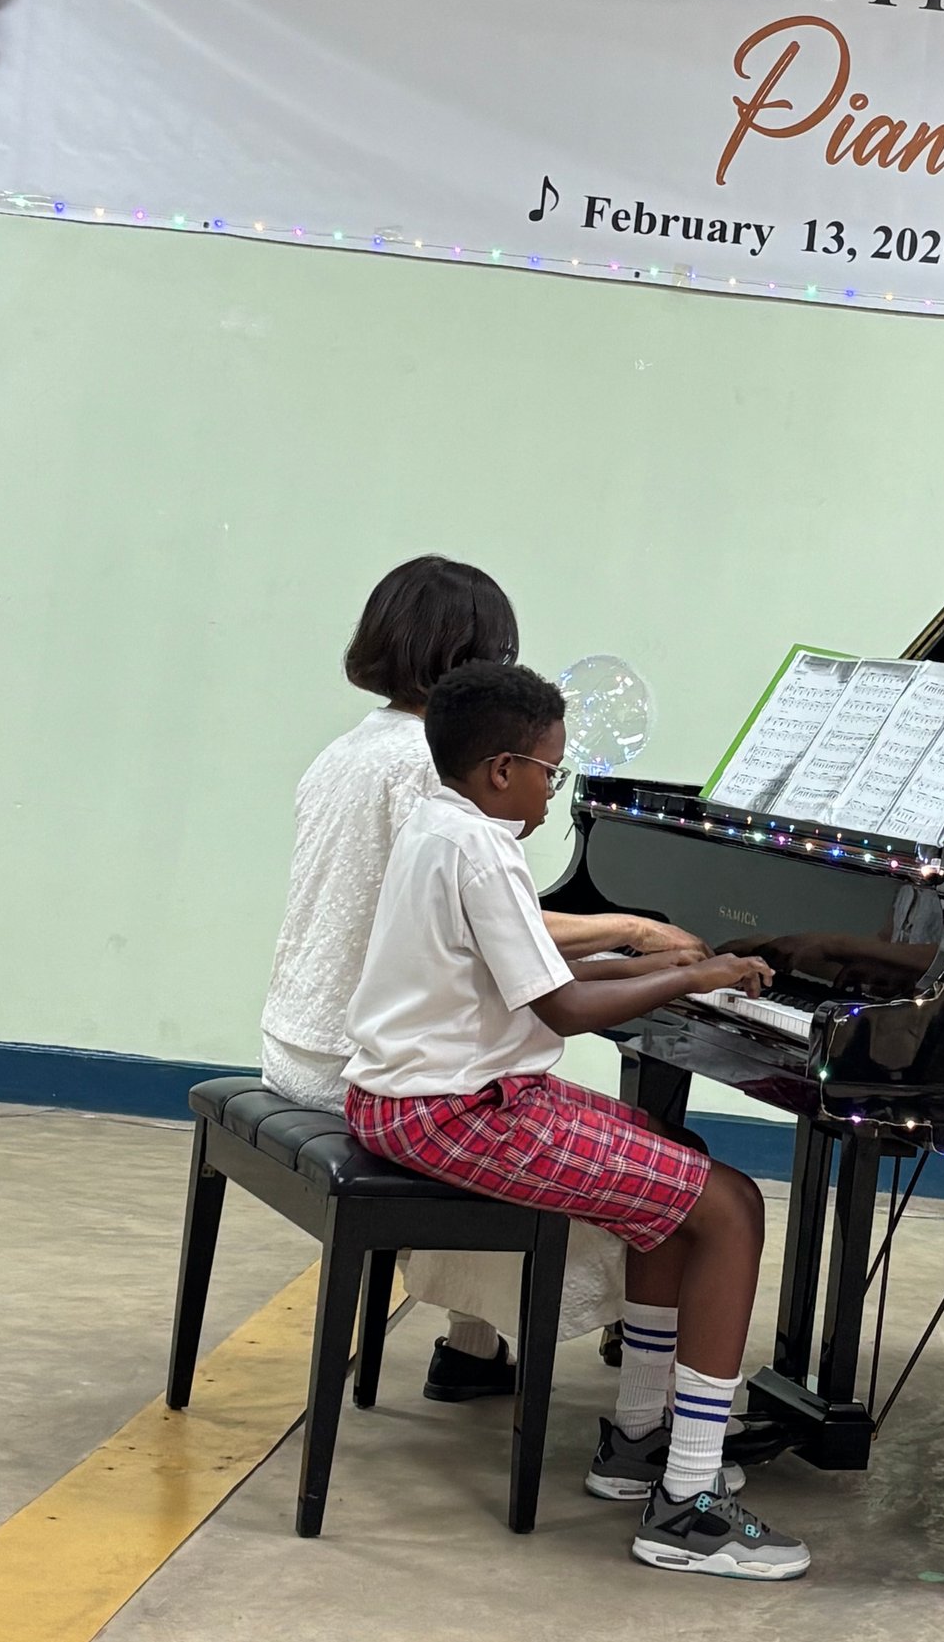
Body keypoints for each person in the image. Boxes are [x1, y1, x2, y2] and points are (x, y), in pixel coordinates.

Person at [343, 662, 811, 1580]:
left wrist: (682, 968)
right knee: (731, 1206)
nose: (557, 786)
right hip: (458, 1110)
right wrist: (691, 976)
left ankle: (641, 1437)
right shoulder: (478, 847)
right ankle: (686, 1502)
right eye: (551, 770)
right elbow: (558, 1009)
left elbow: (544, 979)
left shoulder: (443, 825)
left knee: (678, 1166)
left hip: (418, 1097)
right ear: (501, 768)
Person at [259, 556, 706, 1400]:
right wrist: (637, 929)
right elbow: (506, 927)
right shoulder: (425, 768)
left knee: (493, 1056)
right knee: (518, 1096)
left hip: (295, 1034)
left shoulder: (349, 747)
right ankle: (637, 1384)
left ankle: (472, 1346)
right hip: (353, 1061)